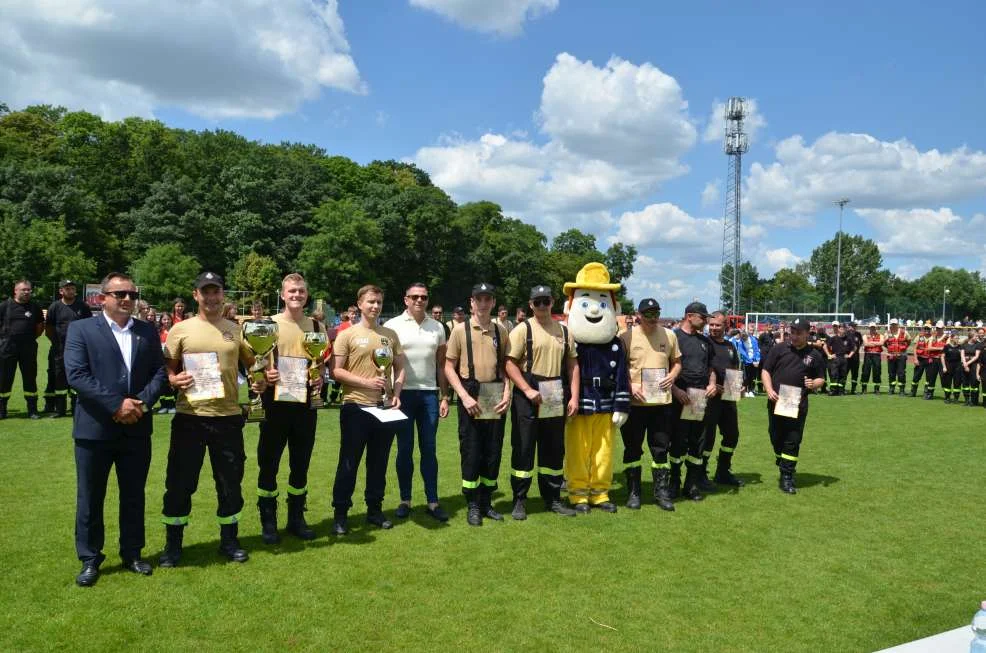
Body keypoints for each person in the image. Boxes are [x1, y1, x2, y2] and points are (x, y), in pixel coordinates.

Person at [64, 272, 168, 586]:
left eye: (132, 295)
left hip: (136, 428)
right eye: (120, 294)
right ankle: (90, 559)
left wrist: (138, 403)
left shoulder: (147, 331)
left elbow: (160, 373)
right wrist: (117, 405)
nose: (127, 300)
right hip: (94, 430)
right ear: (103, 298)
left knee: (133, 495)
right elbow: (77, 375)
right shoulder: (81, 329)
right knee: (90, 498)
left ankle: (133, 553)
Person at [159, 272, 265, 567]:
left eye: (215, 291)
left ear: (222, 294)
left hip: (228, 418)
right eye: (205, 292)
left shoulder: (236, 329)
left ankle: (229, 542)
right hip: (190, 418)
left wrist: (261, 381)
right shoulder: (181, 330)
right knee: (180, 483)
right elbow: (167, 370)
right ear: (195, 295)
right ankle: (173, 545)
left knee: (230, 483)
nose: (211, 297)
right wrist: (172, 378)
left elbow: (254, 363)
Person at [330, 285, 406, 535]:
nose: (375, 306)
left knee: (379, 462)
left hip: (384, 408)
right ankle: (340, 514)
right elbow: (336, 371)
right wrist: (366, 383)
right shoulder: (347, 335)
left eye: (379, 302)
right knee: (349, 463)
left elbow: (400, 367)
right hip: (355, 407)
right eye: (371, 302)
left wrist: (395, 393)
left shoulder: (390, 334)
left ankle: (374, 510)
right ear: (360, 304)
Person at [255, 274, 324, 544]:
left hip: (305, 403)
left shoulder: (316, 324)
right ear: (282, 295)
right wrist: (264, 374)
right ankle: (268, 519)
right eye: (292, 291)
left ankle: (297, 517)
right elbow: (254, 361)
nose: (297, 295)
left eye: (302, 291)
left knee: (300, 463)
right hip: (275, 402)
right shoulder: (268, 324)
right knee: (268, 462)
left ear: (307, 295)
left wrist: (320, 377)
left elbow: (320, 363)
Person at [504, 285, 579, 519]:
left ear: (553, 302)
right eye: (537, 302)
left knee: (554, 449)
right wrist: (526, 390)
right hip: (528, 393)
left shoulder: (565, 331)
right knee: (524, 448)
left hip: (555, 392)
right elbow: (509, 363)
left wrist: (574, 396)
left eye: (546, 301)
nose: (542, 306)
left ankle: (553, 499)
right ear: (530, 305)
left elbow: (572, 365)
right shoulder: (521, 329)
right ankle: (520, 500)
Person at [562, 263, 629, 514]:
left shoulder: (615, 345)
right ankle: (578, 493)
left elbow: (623, 376)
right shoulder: (569, 341)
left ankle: (600, 492)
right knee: (578, 449)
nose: (593, 308)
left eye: (603, 303)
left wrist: (622, 405)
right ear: (570, 306)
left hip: (606, 402)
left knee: (604, 450)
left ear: (613, 308)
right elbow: (564, 373)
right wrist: (566, 401)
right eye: (586, 301)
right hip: (578, 403)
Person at [444, 283, 511, 526]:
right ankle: (472, 504)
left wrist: (507, 393)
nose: (483, 303)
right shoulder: (460, 331)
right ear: (472, 302)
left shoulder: (501, 330)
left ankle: (486, 501)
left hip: (494, 391)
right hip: (470, 391)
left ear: (493, 302)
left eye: (488, 299)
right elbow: (448, 367)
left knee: (492, 450)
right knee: (471, 450)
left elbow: (506, 367)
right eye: (479, 299)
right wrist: (462, 395)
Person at [384, 282, 451, 523]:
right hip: (402, 397)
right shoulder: (391, 326)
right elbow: (385, 363)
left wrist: (445, 396)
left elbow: (442, 365)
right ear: (406, 299)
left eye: (423, 297)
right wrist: (389, 393)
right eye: (414, 297)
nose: (419, 301)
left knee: (429, 449)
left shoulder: (437, 327)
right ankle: (405, 500)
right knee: (404, 449)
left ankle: (432, 501)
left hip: (429, 395)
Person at [619, 298, 681, 511]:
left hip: (661, 404)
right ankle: (634, 491)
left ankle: (661, 492)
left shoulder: (670, 335)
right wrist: (629, 385)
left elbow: (677, 362)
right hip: (635, 404)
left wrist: (673, 376)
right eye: (648, 314)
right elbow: (619, 368)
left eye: (655, 314)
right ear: (639, 315)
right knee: (632, 449)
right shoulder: (625, 337)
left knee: (661, 450)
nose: (652, 318)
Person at [760, 318, 826, 494]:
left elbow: (821, 378)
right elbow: (766, 370)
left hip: (796, 402)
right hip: (776, 400)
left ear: (807, 333)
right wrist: (768, 389)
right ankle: (782, 462)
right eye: (792, 332)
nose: (794, 336)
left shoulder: (815, 355)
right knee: (775, 436)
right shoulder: (779, 349)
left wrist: (814, 384)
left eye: (798, 333)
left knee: (792, 439)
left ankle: (787, 476)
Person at [669, 302, 718, 501]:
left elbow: (711, 368)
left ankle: (691, 484)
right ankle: (674, 483)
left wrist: (712, 384)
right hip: (680, 398)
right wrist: (675, 390)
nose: (706, 321)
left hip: (700, 399)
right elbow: (664, 369)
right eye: (703, 317)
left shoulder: (705, 342)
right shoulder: (673, 337)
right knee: (678, 442)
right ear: (690, 316)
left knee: (698, 442)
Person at [704, 312, 744, 487]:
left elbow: (734, 368)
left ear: (725, 326)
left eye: (717, 325)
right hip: (709, 398)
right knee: (707, 438)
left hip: (728, 398)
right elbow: (701, 369)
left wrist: (739, 386)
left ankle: (723, 471)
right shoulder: (704, 344)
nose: (714, 328)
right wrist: (711, 385)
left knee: (732, 435)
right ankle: (700, 473)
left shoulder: (730, 346)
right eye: (711, 325)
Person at [43, 279, 92, 417]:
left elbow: (89, 327)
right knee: (59, 378)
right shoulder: (55, 307)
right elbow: (49, 329)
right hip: (59, 350)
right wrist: (57, 343)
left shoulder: (83, 306)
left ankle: (77, 408)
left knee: (78, 376)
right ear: (61, 291)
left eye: (72, 288)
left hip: (79, 350)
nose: (70, 291)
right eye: (67, 288)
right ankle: (60, 410)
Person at [0, 279, 45, 419]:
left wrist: (29, 340)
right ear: (15, 290)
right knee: (4, 379)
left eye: (28, 290)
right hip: (7, 348)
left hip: (28, 348)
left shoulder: (34, 307)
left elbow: (40, 327)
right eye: (23, 290)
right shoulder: (4, 306)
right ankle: (2, 410)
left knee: (30, 378)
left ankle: (32, 410)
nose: (26, 292)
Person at [155, 313, 177, 413]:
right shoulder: (158, 332)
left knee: (172, 384)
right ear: (161, 321)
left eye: (168, 319)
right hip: (161, 361)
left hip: (173, 361)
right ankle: (164, 405)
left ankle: (172, 405)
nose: (166, 321)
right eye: (164, 320)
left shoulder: (175, 331)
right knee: (163, 384)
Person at [730, 328, 760, 397]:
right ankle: (746, 390)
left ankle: (751, 390)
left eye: (745, 338)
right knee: (745, 377)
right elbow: (742, 352)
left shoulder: (753, 339)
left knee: (752, 376)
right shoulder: (740, 342)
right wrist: (750, 360)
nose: (744, 339)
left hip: (754, 361)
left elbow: (756, 350)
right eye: (742, 338)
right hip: (746, 361)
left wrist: (756, 360)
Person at [922, 321, 948, 400]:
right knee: (931, 377)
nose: (938, 330)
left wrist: (935, 348)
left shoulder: (947, 337)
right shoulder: (933, 337)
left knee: (944, 377)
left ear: (943, 328)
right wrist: (940, 348)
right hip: (933, 360)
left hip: (943, 360)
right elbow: (929, 348)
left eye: (940, 328)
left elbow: (947, 349)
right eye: (937, 328)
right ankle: (930, 394)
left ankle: (947, 395)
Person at [822, 322, 849, 396]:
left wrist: (849, 355)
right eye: (841, 328)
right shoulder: (833, 338)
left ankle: (841, 391)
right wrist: (829, 355)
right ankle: (833, 390)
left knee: (843, 375)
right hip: (835, 359)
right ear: (839, 329)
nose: (842, 330)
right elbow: (824, 346)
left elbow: (854, 348)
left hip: (844, 359)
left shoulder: (847, 338)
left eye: (844, 328)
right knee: (834, 375)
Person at [884, 319, 910, 395]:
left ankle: (902, 390)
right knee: (891, 373)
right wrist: (890, 350)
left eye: (895, 324)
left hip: (901, 355)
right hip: (891, 356)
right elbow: (885, 344)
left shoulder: (904, 333)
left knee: (901, 373)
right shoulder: (887, 333)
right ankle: (891, 388)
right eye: (892, 324)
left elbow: (909, 341)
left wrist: (903, 349)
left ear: (897, 325)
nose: (893, 326)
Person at [909, 324, 933, 398]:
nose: (926, 330)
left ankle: (926, 392)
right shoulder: (919, 337)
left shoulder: (933, 338)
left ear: (930, 330)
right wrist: (915, 359)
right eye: (925, 329)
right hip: (920, 359)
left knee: (929, 377)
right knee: (916, 376)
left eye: (928, 329)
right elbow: (915, 349)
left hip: (929, 360)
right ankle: (913, 392)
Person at [860, 324, 884, 394]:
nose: (872, 329)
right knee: (865, 372)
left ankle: (877, 389)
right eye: (871, 328)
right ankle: (864, 389)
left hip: (876, 355)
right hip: (868, 354)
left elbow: (881, 343)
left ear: (876, 328)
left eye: (874, 328)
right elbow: (866, 344)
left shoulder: (881, 336)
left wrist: (871, 342)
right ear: (869, 328)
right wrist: (876, 343)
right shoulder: (865, 336)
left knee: (877, 371)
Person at [960, 332, 981, 407]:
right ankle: (966, 400)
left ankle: (974, 401)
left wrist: (967, 363)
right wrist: (965, 365)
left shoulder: (978, 345)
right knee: (965, 383)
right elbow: (962, 355)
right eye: (976, 336)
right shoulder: (964, 345)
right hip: (965, 365)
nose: (977, 338)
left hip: (974, 366)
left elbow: (976, 356)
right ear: (971, 337)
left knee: (974, 384)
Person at [940, 332, 962, 404]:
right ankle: (947, 398)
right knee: (947, 383)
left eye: (958, 338)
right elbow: (942, 357)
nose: (957, 339)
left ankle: (956, 398)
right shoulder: (947, 346)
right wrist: (944, 367)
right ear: (952, 338)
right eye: (956, 338)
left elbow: (962, 357)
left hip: (958, 367)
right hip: (948, 366)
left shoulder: (960, 347)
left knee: (957, 383)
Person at [844, 322, 863, 394]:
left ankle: (853, 389)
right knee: (844, 373)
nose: (854, 327)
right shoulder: (846, 334)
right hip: (847, 357)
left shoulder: (858, 334)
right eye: (853, 326)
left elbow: (860, 343)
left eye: (855, 326)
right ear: (849, 327)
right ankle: (842, 388)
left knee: (855, 374)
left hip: (855, 357)